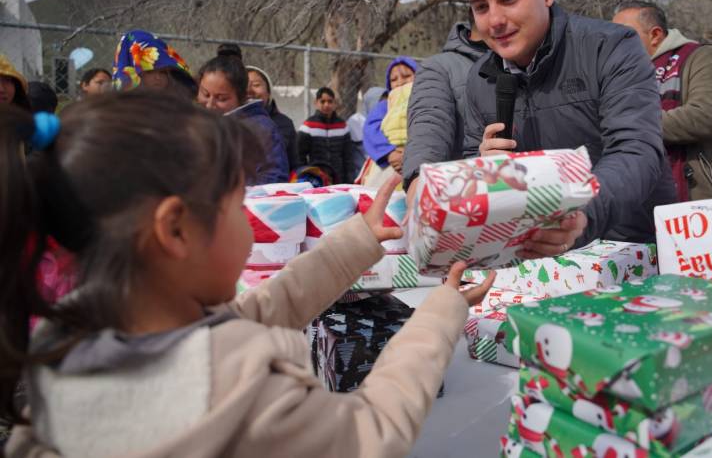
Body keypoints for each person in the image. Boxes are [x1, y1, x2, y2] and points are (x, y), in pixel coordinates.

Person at [0, 91, 495, 457]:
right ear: (175, 229)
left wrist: (356, 243)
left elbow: (253, 314)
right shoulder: (237, 395)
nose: (249, 221)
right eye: (238, 205)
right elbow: (372, 429)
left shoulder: (69, 349)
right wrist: (439, 314)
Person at [462, 0, 676, 253]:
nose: (494, 20)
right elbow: (468, 172)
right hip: (531, 263)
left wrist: (581, 215)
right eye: (481, 6)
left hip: (628, 250)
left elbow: (637, 152)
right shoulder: (479, 79)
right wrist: (483, 173)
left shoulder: (612, 48)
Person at [612, 1, 712, 201]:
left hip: (705, 200)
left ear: (655, 35)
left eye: (623, 35)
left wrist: (628, 123)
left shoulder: (704, 58)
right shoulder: (622, 76)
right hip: (645, 203)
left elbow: (705, 117)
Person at [403, 14, 490, 190]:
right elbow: (428, 126)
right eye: (482, 5)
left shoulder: (528, 61)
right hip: (469, 193)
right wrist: (420, 184)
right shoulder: (439, 68)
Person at [198, 55, 289, 185]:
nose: (210, 104)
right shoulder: (196, 122)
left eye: (221, 98)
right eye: (205, 94)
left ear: (241, 97)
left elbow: (273, 179)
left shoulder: (261, 129)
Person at [363, 57, 417, 176]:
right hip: (391, 162)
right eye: (394, 79)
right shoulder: (385, 106)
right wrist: (390, 153)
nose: (400, 82)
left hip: (419, 157)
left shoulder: (427, 101)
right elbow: (371, 131)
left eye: (406, 76)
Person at [112, 30, 198, 99]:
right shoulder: (119, 110)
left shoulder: (178, 106)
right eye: (149, 71)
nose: (158, 77)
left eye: (163, 72)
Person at [247, 65, 299, 172]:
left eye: (256, 85)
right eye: (243, 85)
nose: (249, 90)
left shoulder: (285, 123)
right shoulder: (229, 123)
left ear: (269, 92)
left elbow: (295, 164)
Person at [298, 87, 353, 183]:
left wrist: (349, 180)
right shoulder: (308, 126)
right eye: (322, 101)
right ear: (316, 103)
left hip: (339, 178)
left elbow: (348, 157)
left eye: (330, 101)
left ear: (335, 103)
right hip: (316, 178)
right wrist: (306, 175)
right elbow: (300, 155)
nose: (326, 105)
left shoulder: (342, 126)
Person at [348, 87, 387, 180]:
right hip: (360, 174)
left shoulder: (389, 120)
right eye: (381, 102)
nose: (386, 106)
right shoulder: (356, 122)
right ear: (372, 102)